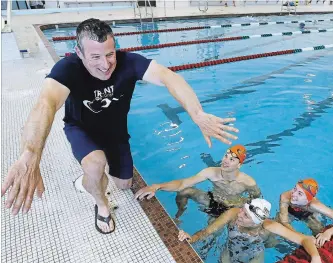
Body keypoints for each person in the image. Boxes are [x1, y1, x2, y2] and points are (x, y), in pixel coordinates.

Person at [1, 18, 239, 235]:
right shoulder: (67, 69)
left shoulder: (129, 62)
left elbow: (170, 77)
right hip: (82, 130)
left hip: (116, 134)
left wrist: (197, 114)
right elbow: (46, 104)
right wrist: (31, 154)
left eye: (109, 54)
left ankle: (86, 182)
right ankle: (101, 205)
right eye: (95, 57)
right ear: (79, 53)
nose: (105, 65)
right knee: (96, 164)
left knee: (123, 184)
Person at [178, 198, 324, 263]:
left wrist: (316, 258)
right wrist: (192, 238)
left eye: (246, 215)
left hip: (253, 258)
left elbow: (304, 239)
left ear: (257, 222)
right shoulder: (233, 213)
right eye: (242, 209)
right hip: (230, 251)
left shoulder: (268, 226)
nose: (240, 214)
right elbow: (208, 231)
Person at [135, 145, 261, 219]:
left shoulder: (248, 182)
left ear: (239, 165)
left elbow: (256, 203)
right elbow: (182, 183)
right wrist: (157, 186)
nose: (226, 161)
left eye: (232, 159)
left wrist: (237, 206)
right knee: (185, 191)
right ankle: (179, 213)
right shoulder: (211, 172)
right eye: (226, 156)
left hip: (230, 210)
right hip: (212, 200)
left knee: (213, 231)